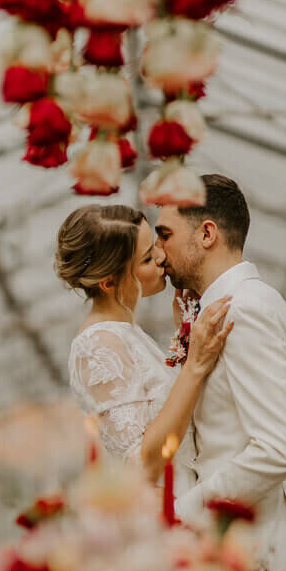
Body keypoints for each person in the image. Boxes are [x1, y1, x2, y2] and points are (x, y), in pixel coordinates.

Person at [154, 174, 286, 571]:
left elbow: (277, 448)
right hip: (241, 551)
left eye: (164, 235)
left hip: (263, 555)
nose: (159, 252)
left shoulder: (246, 309)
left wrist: (184, 512)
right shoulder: (224, 308)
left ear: (206, 233)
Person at [55, 203, 232, 488]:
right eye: (148, 258)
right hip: (163, 510)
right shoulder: (97, 346)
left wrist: (184, 335)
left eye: (157, 246)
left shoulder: (126, 334)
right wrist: (195, 366)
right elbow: (143, 465)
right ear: (109, 282)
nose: (162, 257)